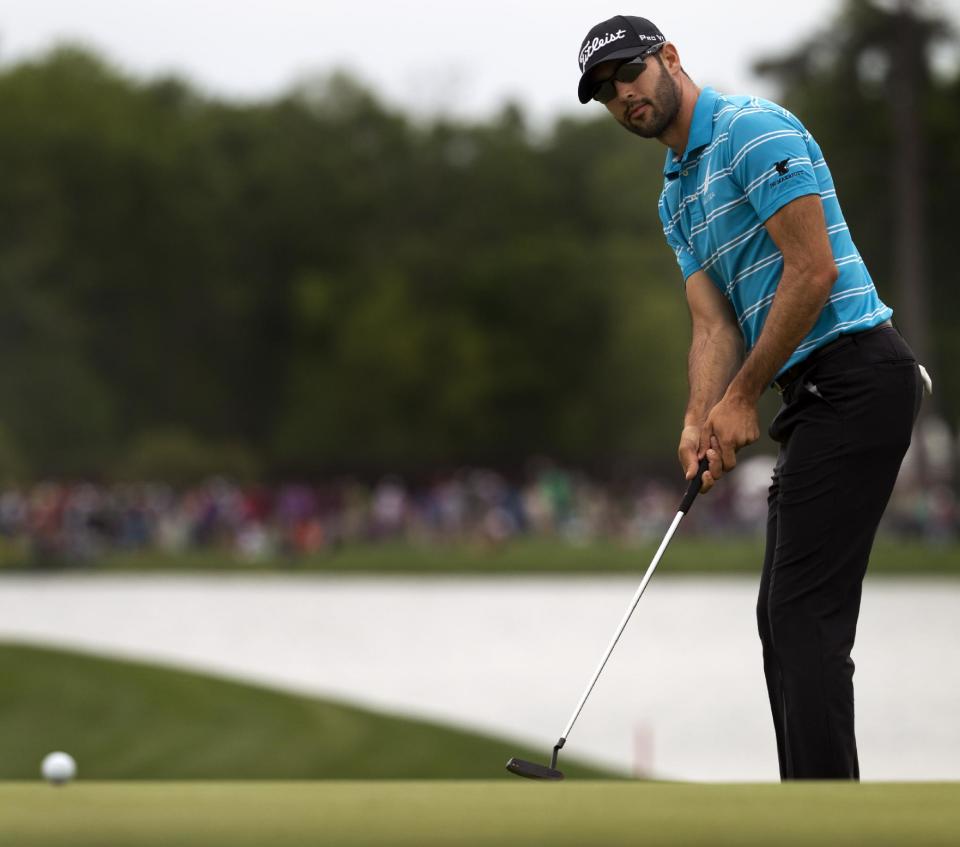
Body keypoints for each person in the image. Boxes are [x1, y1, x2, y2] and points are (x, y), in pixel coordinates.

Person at [577, 14, 924, 780]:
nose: (624, 96)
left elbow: (813, 272)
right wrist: (700, 418)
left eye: (630, 73)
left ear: (669, 56)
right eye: (606, 93)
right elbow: (711, 324)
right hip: (814, 391)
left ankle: (825, 814)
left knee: (803, 613)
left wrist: (742, 399)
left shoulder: (751, 131)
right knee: (783, 614)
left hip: (859, 374)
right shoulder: (676, 195)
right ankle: (812, 799)